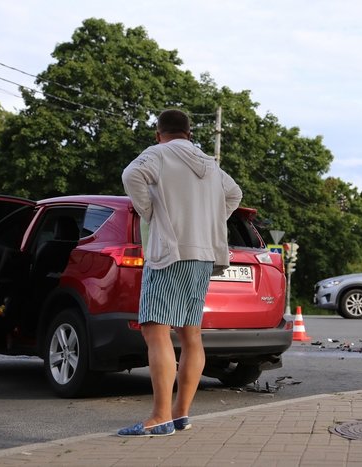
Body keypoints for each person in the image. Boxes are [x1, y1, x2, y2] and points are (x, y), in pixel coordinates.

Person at [118, 109, 242, 437]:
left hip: (170, 253)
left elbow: (131, 176)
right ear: (189, 134)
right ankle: (180, 414)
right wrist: (211, 220)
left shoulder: (157, 154)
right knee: (190, 334)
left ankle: (159, 416)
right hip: (203, 255)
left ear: (159, 134)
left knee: (155, 330)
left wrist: (150, 212)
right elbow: (235, 194)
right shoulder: (210, 164)